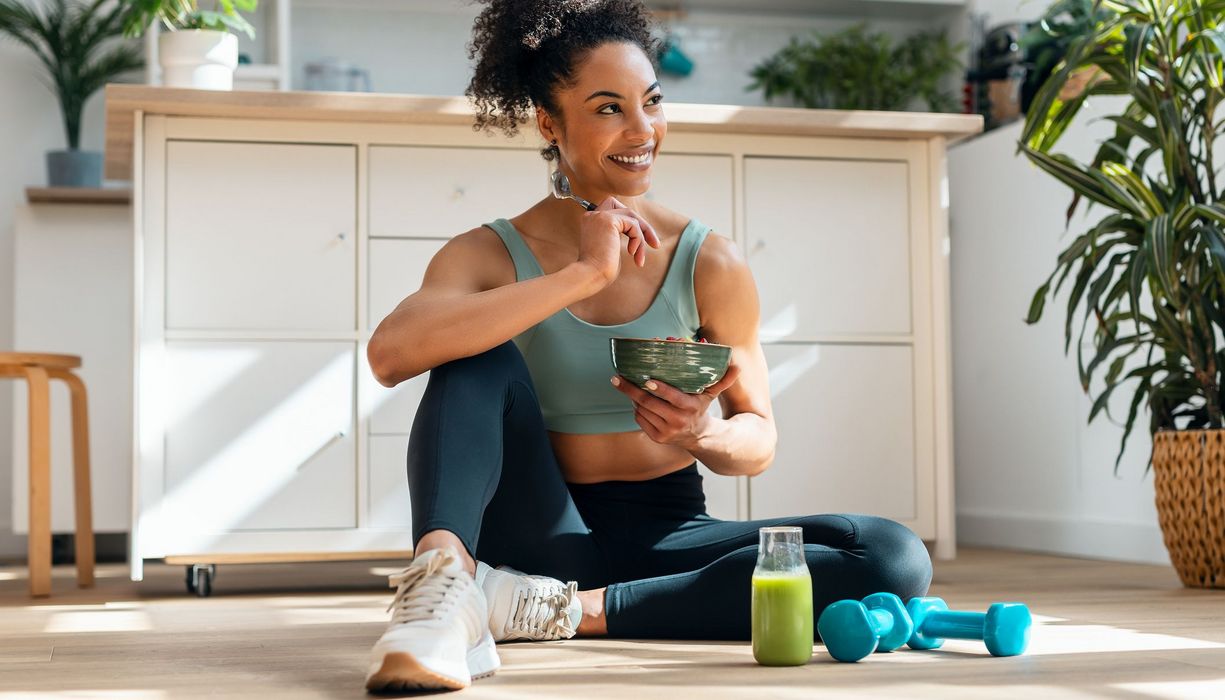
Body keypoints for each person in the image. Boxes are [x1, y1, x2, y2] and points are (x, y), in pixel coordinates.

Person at [362, 0, 932, 692]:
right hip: (536, 532)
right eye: (608, 108)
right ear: (549, 123)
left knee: (891, 557)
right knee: (473, 350)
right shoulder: (487, 253)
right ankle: (441, 594)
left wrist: (699, 433)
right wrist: (583, 274)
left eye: (651, 103)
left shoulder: (707, 261)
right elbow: (391, 355)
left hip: (669, 537)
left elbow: (757, 438)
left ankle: (551, 610)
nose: (643, 131)